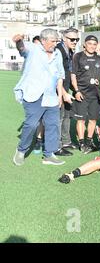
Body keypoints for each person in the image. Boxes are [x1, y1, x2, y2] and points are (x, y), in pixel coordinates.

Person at [12, 29, 67, 166]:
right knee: (31, 124)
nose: (55, 44)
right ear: (43, 40)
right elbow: (22, 49)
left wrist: (60, 96)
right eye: (52, 41)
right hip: (32, 95)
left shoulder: (57, 53)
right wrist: (19, 40)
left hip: (51, 97)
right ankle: (21, 150)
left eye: (56, 41)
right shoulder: (34, 49)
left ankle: (49, 154)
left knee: (53, 125)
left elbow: (60, 75)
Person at [71, 35, 100, 154]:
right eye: (89, 43)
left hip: (95, 95)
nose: (92, 46)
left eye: (94, 44)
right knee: (81, 120)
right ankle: (81, 143)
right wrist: (76, 91)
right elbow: (73, 75)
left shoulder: (99, 58)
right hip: (81, 93)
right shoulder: (78, 56)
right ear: (85, 44)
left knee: (93, 119)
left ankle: (89, 141)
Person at [53, 27, 79, 156]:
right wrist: (63, 93)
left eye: (77, 39)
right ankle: (56, 146)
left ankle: (66, 142)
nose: (75, 41)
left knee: (66, 116)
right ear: (64, 38)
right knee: (59, 118)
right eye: (72, 39)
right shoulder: (58, 50)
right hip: (57, 90)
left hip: (66, 89)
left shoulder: (69, 51)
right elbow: (55, 74)